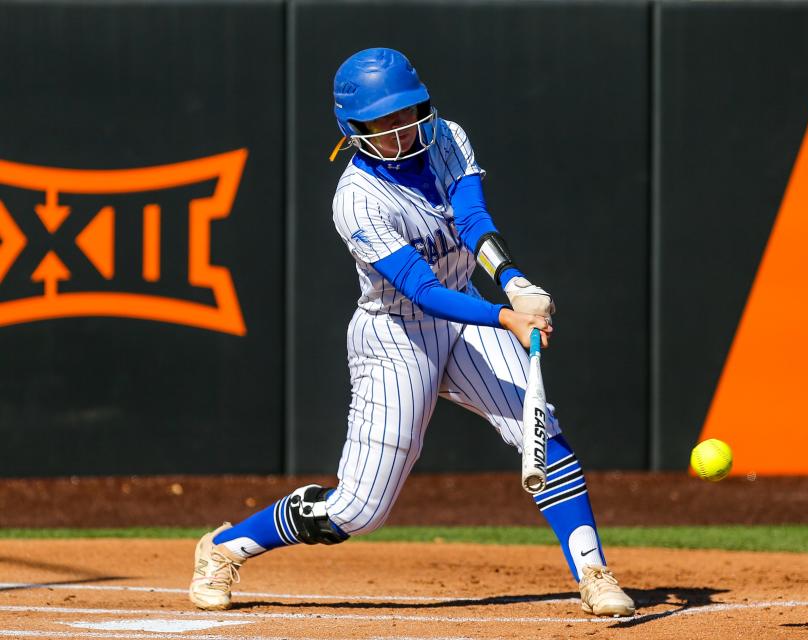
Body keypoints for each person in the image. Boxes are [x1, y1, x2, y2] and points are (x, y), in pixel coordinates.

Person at [188, 47, 635, 618]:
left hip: (468, 310)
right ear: (355, 130)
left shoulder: (447, 137)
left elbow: (474, 220)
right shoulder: (356, 200)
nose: (402, 130)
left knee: (540, 427)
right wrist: (507, 315)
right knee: (358, 510)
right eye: (385, 121)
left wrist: (514, 281)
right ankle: (227, 547)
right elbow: (421, 291)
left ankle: (594, 573)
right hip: (398, 336)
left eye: (409, 113)